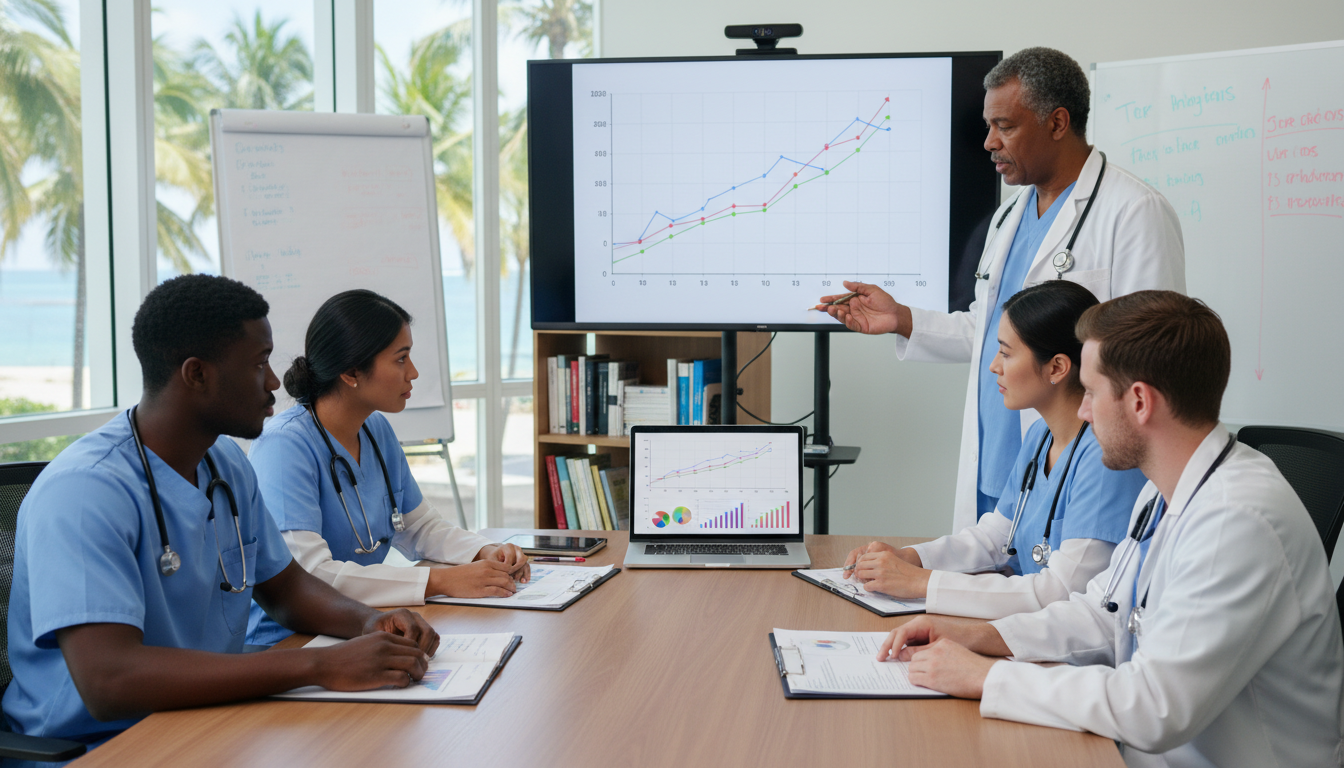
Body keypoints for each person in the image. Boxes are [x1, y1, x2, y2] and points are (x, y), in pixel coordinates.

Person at [878, 291, 1344, 767]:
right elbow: (1102, 615)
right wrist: (976, 637)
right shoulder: (1164, 490)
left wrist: (985, 677)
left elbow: (1154, 708)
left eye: (1091, 393)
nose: (1082, 411)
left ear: (1139, 401)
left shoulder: (1236, 522)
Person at [2, 275, 440, 756]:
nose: (274, 382)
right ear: (197, 374)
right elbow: (110, 681)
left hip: (209, 718)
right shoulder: (84, 492)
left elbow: (287, 590)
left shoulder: (224, 463)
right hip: (96, 746)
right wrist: (320, 665)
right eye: (258, 364)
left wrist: (370, 623)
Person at [818, 47, 1185, 533]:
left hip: (1084, 466)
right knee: (985, 562)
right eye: (989, 126)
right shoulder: (1009, 216)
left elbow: (1150, 357)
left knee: (1063, 578)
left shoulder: (1134, 212)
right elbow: (995, 334)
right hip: (999, 461)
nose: (989, 142)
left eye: (1005, 126)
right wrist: (903, 320)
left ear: (1057, 123)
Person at [841, 281, 1147, 619]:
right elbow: (995, 538)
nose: (994, 366)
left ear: (1057, 367)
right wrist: (910, 558)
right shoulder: (1040, 437)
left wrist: (921, 582)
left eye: (1006, 352)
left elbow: (1062, 591)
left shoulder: (1105, 458)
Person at [246, 289, 528, 647]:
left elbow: (420, 527)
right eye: (401, 359)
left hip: (362, 628)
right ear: (352, 372)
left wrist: (484, 551)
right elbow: (312, 576)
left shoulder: (375, 430)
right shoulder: (283, 446)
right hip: (290, 642)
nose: (413, 373)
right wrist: (439, 581)